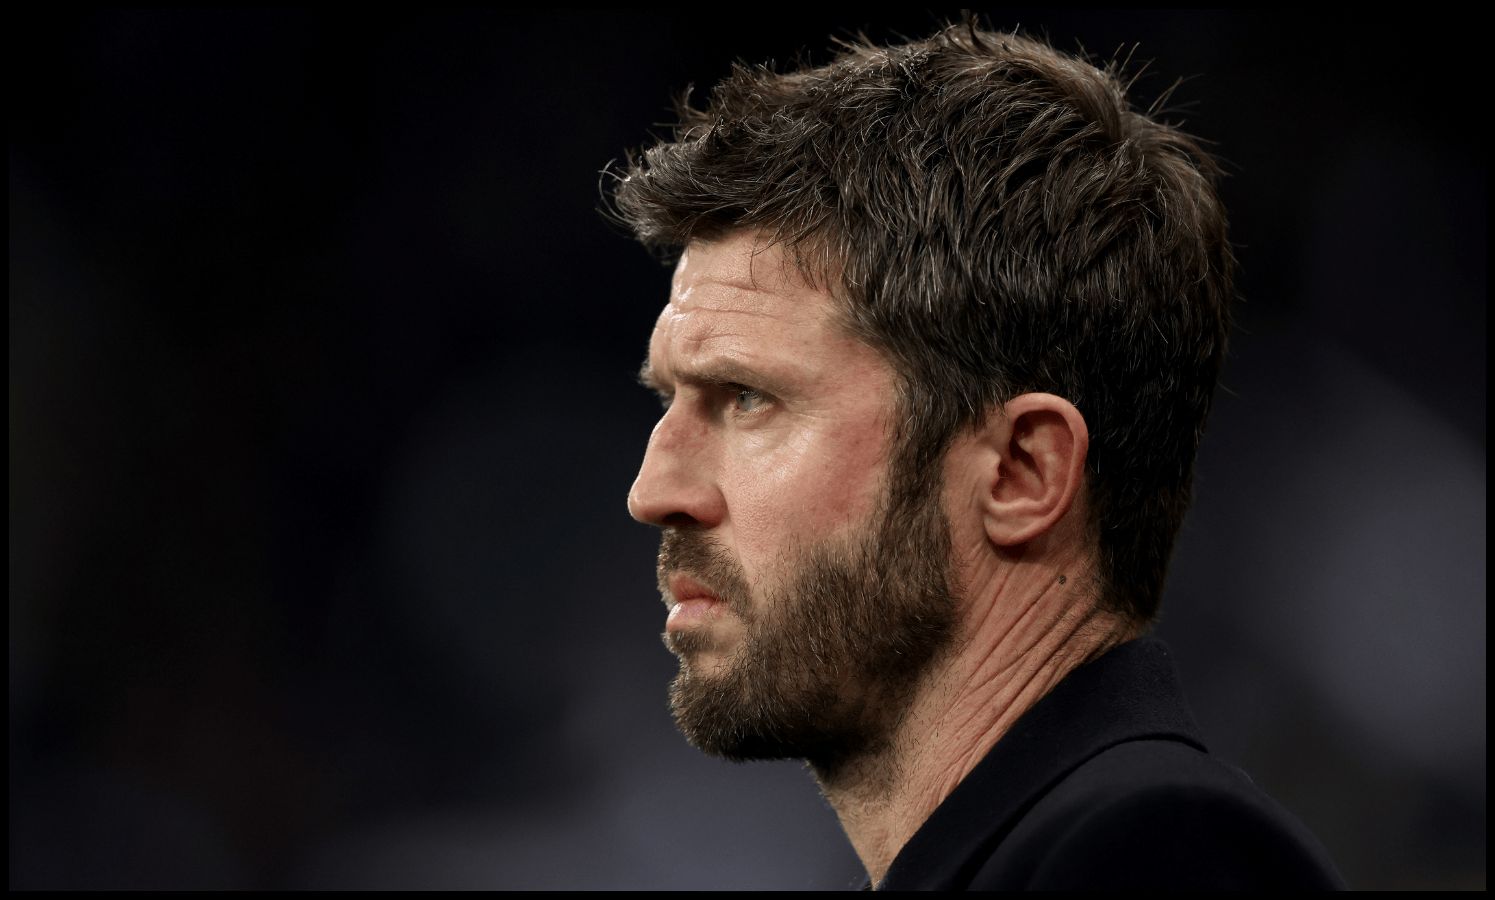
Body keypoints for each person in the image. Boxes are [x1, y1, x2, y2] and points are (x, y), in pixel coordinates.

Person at [610, 21, 1344, 890]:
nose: (654, 490)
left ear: (1021, 472)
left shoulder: (1153, 853)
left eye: (746, 398)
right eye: (668, 399)